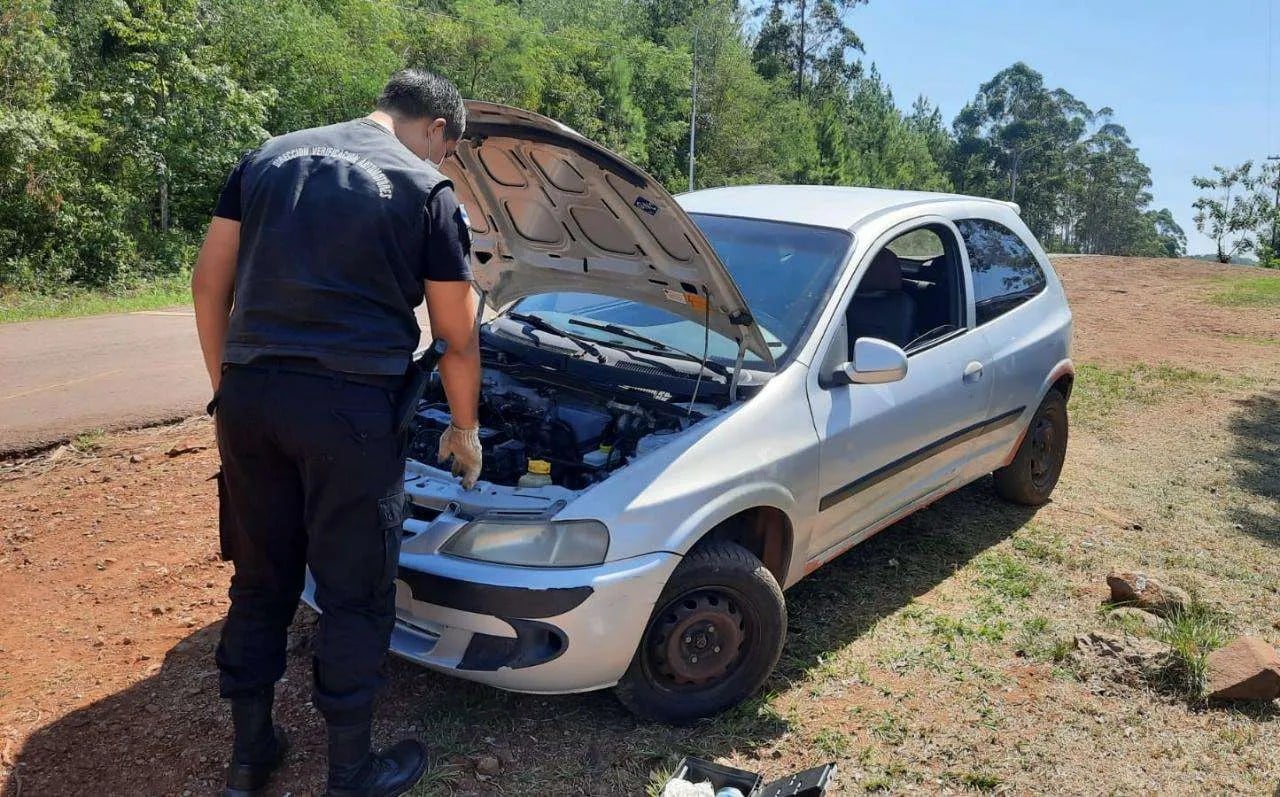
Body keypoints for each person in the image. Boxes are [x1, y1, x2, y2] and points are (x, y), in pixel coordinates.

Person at [191, 69, 483, 797]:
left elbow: (207, 283)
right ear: (437, 128)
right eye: (446, 151)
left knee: (260, 579)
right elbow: (457, 334)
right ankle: (351, 772)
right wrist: (467, 430)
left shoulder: (267, 157)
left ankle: (250, 756)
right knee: (355, 591)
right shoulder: (425, 189)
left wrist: (227, 388)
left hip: (250, 398)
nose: (440, 163)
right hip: (351, 410)